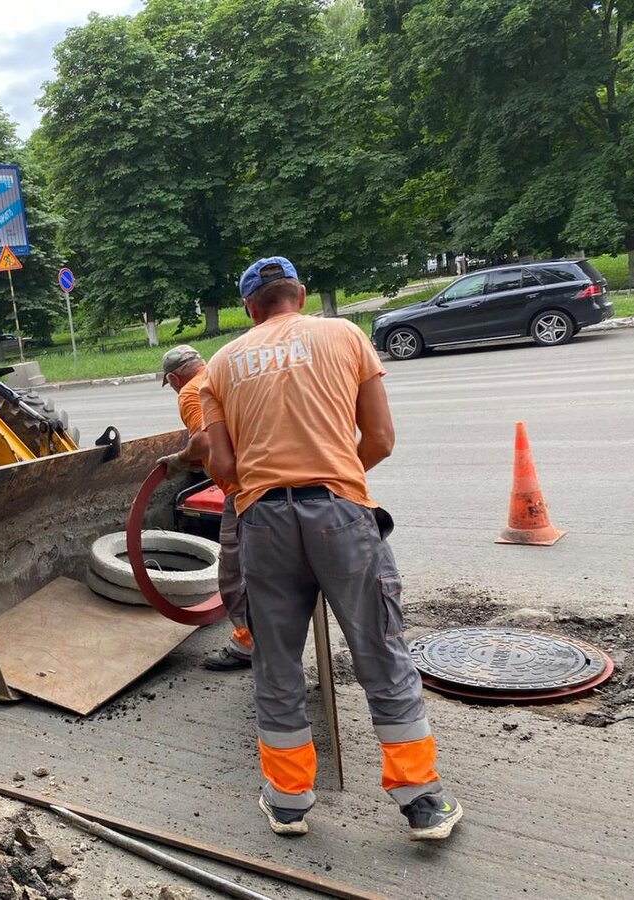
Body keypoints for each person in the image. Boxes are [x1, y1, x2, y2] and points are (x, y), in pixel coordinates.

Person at [200, 256, 462, 842]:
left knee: (275, 659)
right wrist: (337, 476)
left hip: (262, 522)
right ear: (300, 294)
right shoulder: (343, 334)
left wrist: (264, 494)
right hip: (340, 514)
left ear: (249, 307)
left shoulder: (220, 365)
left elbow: (220, 466)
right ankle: (421, 802)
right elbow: (381, 440)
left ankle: (288, 801)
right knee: (380, 650)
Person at [157, 345, 254, 672]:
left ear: (173, 377)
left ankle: (247, 645)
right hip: (264, 476)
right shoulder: (225, 375)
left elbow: (203, 441)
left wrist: (182, 459)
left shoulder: (189, 391)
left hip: (243, 492)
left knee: (232, 576)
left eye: (170, 383)